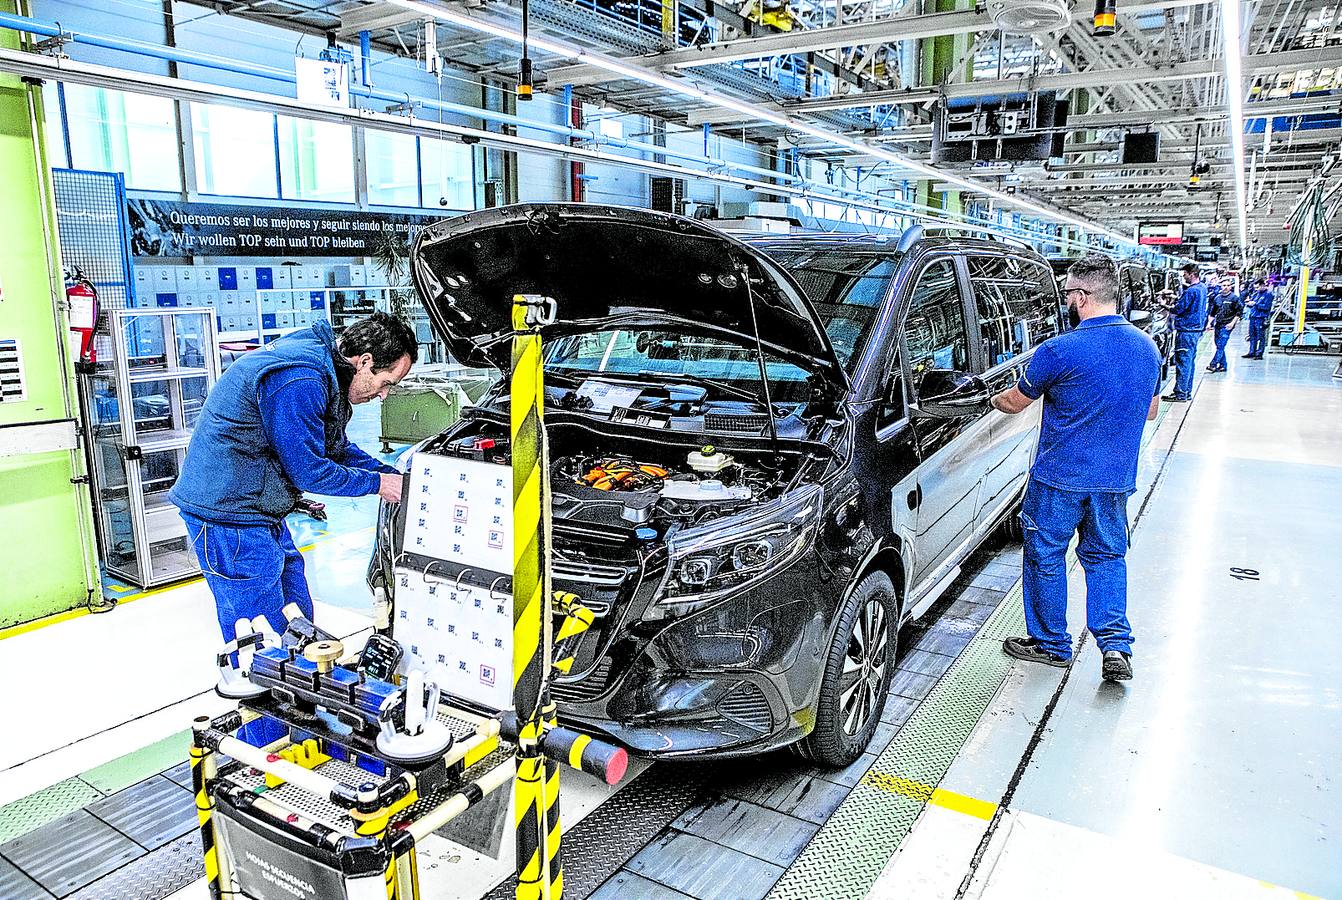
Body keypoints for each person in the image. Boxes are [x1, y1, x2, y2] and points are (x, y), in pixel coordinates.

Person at [171, 312, 415, 653]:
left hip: (260, 507)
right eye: (387, 382)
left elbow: (334, 447)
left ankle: (300, 691)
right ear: (365, 361)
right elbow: (309, 470)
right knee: (261, 634)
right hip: (229, 514)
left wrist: (393, 475)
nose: (384, 395)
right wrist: (378, 484)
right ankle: (265, 698)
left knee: (297, 616)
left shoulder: (325, 368)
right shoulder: (301, 378)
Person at [989, 254, 1162, 682]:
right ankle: (1115, 647)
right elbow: (1153, 410)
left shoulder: (1059, 349)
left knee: (1046, 557)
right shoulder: (1146, 347)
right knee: (1106, 558)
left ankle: (1051, 645)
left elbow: (1015, 402)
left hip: (1058, 479)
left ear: (1082, 297)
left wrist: (988, 395)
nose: (1067, 301)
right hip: (1114, 481)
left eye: (1068, 293)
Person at [1162, 263, 1207, 402]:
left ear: (1192, 274)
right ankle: (1186, 392)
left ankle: (1180, 393)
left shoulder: (1191, 291)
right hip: (1195, 330)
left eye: (1185, 275)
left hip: (1186, 331)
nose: (1184, 277)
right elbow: (1189, 303)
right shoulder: (1202, 288)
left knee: (1183, 362)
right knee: (1190, 362)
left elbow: (1178, 309)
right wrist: (1176, 297)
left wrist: (1163, 304)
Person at [1206, 279, 1244, 373]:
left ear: (1230, 287)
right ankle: (1223, 365)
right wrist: (1208, 323)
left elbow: (1239, 312)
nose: (1226, 287)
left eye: (1227, 285)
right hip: (1218, 324)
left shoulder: (1234, 298)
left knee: (1221, 345)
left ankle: (1213, 364)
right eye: (1224, 285)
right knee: (1219, 345)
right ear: (1221, 286)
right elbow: (1212, 313)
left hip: (1227, 325)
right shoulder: (1217, 298)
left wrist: (1232, 323)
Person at [1243, 279, 1275, 359]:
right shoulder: (1255, 294)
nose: (1256, 289)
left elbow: (1267, 307)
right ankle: (1252, 352)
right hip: (1253, 317)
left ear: (1263, 285)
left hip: (1261, 318)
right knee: (1252, 335)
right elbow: (1252, 303)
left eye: (1257, 287)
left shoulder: (1268, 295)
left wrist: (1256, 304)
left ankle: (1259, 353)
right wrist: (1248, 303)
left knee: (1261, 336)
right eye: (1255, 288)